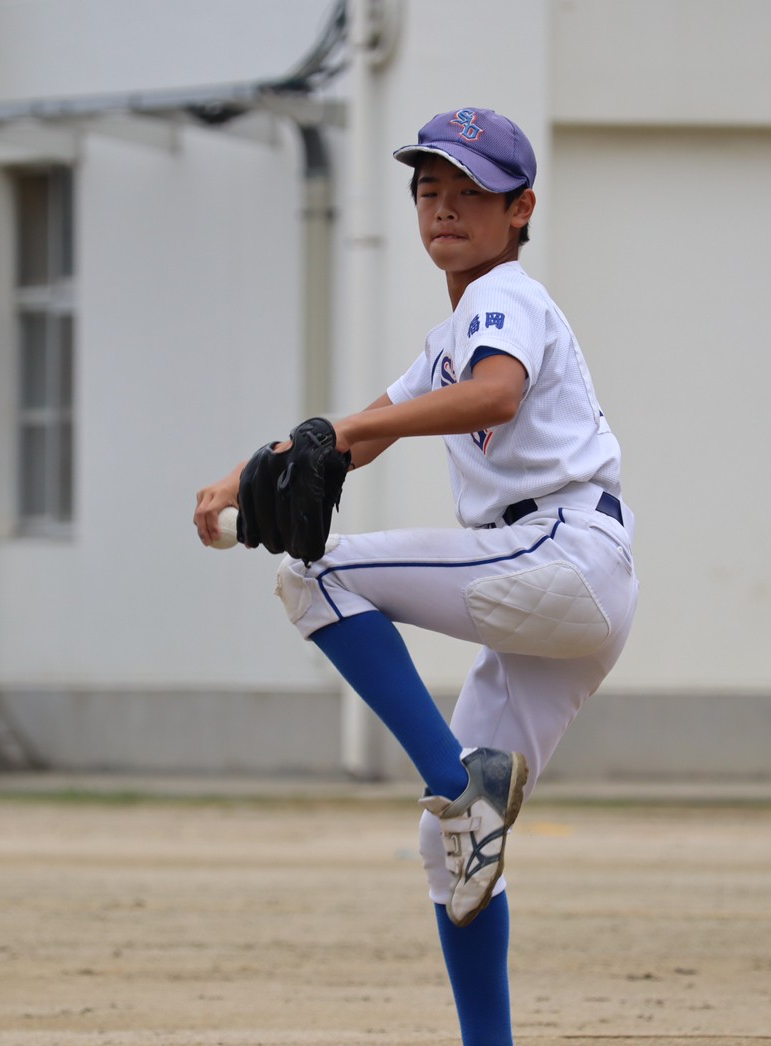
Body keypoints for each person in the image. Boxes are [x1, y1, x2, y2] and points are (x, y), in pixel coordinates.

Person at [193, 106, 638, 1046]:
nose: (444, 205)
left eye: (470, 189)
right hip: (564, 589)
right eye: (430, 188)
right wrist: (242, 477)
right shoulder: (454, 335)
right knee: (455, 858)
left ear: (521, 209)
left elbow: (494, 394)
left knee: (314, 577)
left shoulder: (505, 295)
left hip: (560, 550)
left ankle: (456, 780)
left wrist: (353, 436)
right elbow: (345, 434)